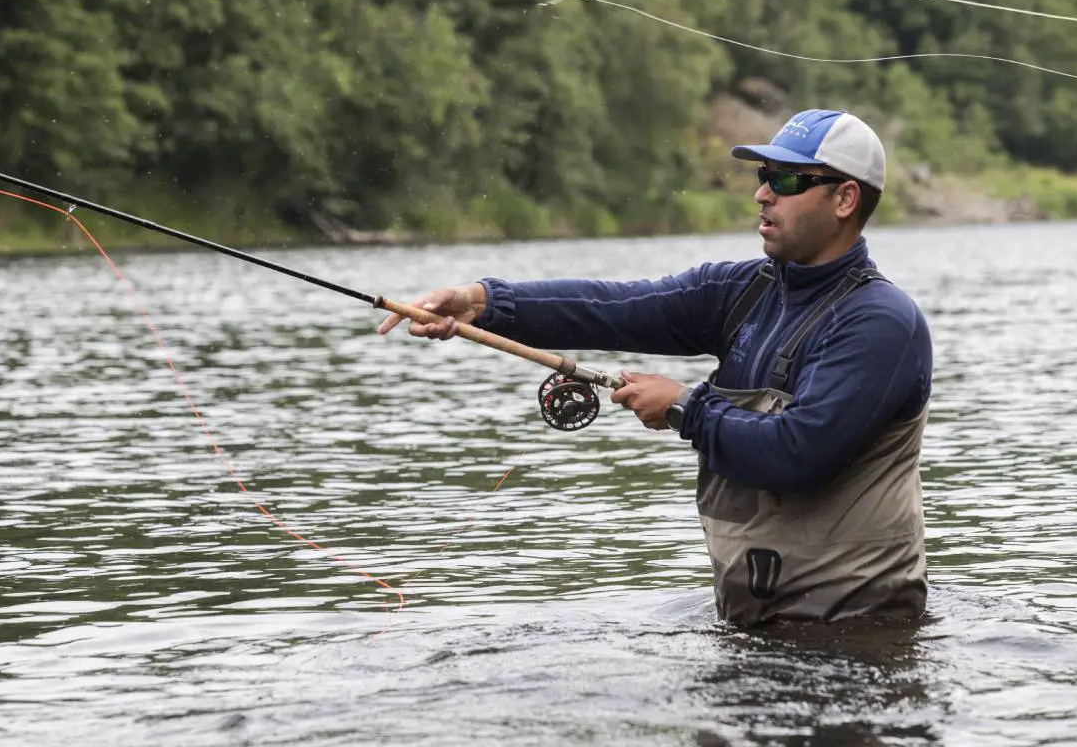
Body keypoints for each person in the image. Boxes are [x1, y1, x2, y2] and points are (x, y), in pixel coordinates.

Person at [377, 109, 933, 626]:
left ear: (845, 199)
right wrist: (485, 303)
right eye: (763, 176)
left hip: (860, 628)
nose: (763, 194)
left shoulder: (880, 323)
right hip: (758, 622)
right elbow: (613, 308)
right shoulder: (740, 291)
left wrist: (685, 409)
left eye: (786, 181)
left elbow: (799, 451)